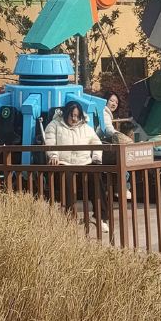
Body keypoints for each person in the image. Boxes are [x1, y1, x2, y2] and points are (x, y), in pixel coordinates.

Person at [44, 98, 108, 230]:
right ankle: (69, 217)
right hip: (64, 162)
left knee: (96, 178)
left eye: (77, 116)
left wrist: (96, 158)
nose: (74, 119)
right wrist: (53, 155)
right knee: (67, 180)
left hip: (84, 162)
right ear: (66, 113)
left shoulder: (86, 127)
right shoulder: (54, 125)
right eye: (72, 115)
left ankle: (100, 217)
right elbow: (50, 142)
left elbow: (97, 143)